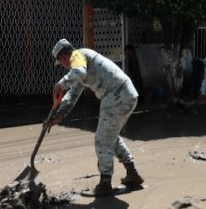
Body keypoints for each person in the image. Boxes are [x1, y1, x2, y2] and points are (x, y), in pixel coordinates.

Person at [49, 38, 144, 197]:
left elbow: (79, 73)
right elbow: (73, 93)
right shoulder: (81, 63)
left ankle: (105, 185)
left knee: (103, 139)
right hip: (127, 95)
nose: (63, 66)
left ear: (63, 56)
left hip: (117, 95)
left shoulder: (78, 56)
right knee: (111, 136)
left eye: (61, 62)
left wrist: (61, 83)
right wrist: (60, 114)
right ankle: (132, 174)